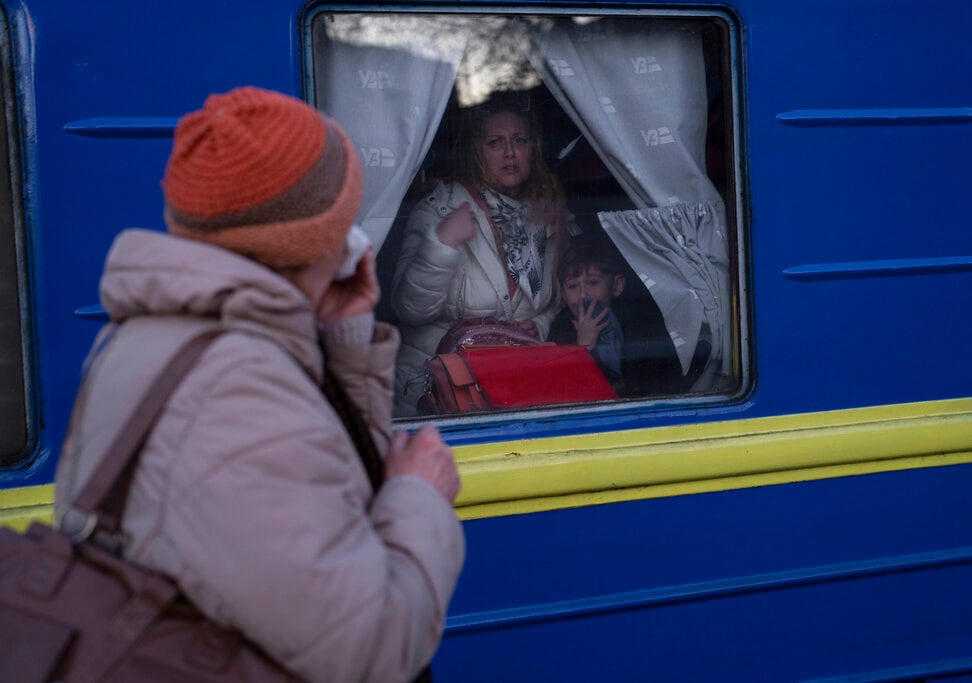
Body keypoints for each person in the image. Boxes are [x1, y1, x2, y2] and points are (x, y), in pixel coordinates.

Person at [53, 86, 465, 683]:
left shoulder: (163, 337)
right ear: (324, 237)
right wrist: (419, 496)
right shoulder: (238, 391)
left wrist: (344, 339)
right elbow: (369, 651)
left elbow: (327, 497)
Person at [389, 93, 576, 416]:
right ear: (476, 151)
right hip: (436, 392)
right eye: (494, 142)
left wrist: (539, 325)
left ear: (534, 147)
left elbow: (561, 291)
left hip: (514, 388)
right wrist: (443, 245)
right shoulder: (442, 207)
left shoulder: (548, 210)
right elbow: (409, 309)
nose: (509, 153)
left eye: (519, 140)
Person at [549, 237, 706, 398]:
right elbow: (565, 391)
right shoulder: (561, 329)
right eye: (573, 286)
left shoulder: (639, 326)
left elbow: (643, 387)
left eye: (593, 283)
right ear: (563, 295)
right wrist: (585, 348)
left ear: (616, 286)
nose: (583, 295)